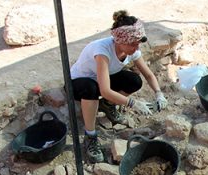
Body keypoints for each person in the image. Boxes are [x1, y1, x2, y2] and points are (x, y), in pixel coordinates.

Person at [70, 10, 168, 163]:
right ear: (119, 41)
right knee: (92, 89)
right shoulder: (102, 51)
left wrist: (159, 93)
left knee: (134, 80)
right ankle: (90, 136)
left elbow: (148, 75)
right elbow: (105, 90)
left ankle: (107, 105)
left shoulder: (132, 49)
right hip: (79, 83)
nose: (136, 48)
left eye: (138, 44)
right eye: (133, 44)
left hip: (101, 79)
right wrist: (133, 103)